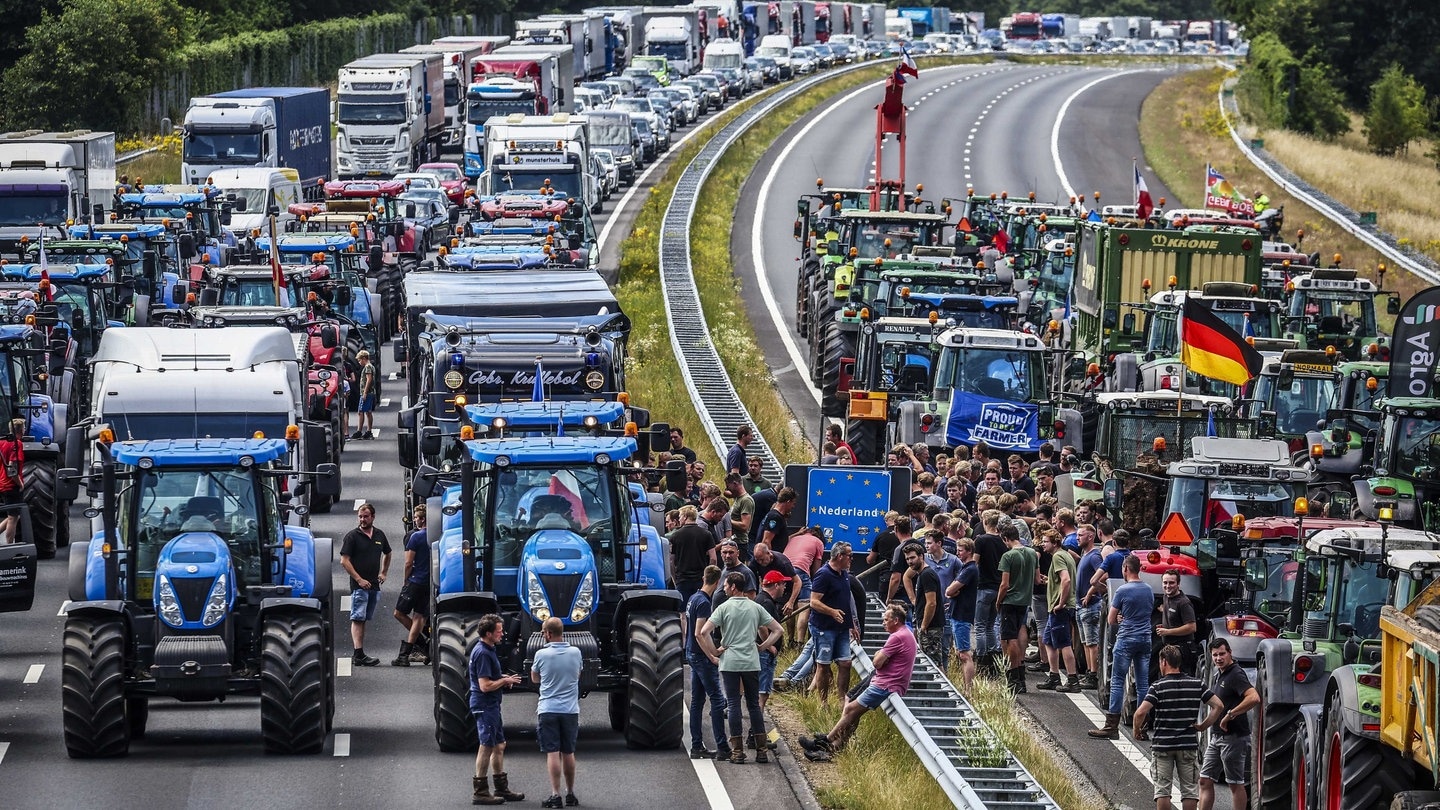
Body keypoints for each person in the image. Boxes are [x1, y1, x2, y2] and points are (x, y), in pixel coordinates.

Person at [798, 603, 916, 762]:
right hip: (890, 680)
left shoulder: (897, 637)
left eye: (886, 620)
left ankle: (824, 742)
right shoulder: (905, 633)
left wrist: (879, 655)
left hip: (886, 683)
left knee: (850, 709)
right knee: (854, 711)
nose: (883, 623)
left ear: (896, 620)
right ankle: (833, 748)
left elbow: (877, 662)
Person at [697, 572, 785, 764]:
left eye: (726, 585)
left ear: (733, 587)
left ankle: (737, 752)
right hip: (751, 661)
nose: (724, 588)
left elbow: (704, 632)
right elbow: (779, 629)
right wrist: (762, 646)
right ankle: (761, 750)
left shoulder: (723, 608)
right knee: (754, 704)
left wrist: (715, 652)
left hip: (730, 662)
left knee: (734, 703)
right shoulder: (755, 607)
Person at [1134, 645, 1225, 810]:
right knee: (1189, 791)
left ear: (1164, 662)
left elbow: (1140, 713)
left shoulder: (1157, 687)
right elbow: (1218, 706)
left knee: (1162, 791)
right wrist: (1203, 726)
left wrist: (1137, 731)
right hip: (1187, 744)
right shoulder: (1197, 684)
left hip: (1163, 746)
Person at [1091, 554, 1153, 739]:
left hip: (1126, 639)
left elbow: (1111, 619)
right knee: (1143, 684)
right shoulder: (1149, 589)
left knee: (1117, 680)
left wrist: (1119, 618)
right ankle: (1141, 727)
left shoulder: (1122, 591)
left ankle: (1111, 726)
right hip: (1145, 639)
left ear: (1125, 569)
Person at [469, 614, 525, 805]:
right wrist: (504, 681)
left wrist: (503, 678)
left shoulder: (488, 648)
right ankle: (481, 791)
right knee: (486, 746)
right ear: (488, 633)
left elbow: (488, 676)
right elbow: (484, 686)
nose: (503, 633)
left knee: (499, 745)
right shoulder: (483, 653)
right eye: (499, 631)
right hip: (485, 705)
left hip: (492, 705)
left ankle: (501, 788)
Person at [1198, 638, 1260, 810]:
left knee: (1234, 783)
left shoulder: (1236, 674)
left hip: (1233, 738)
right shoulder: (1220, 674)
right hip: (1216, 738)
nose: (1218, 658)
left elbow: (1254, 697)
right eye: (1215, 655)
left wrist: (1231, 714)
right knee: (1204, 780)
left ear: (1230, 653)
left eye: (1222, 654)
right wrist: (1203, 726)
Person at [531, 616, 583, 809]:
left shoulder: (541, 655)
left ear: (548, 633)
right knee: (568, 752)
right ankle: (570, 794)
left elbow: (535, 679)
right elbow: (578, 675)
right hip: (570, 710)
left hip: (548, 709)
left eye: (544, 632)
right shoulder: (576, 652)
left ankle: (555, 795)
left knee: (552, 753)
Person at [340, 503, 391, 667]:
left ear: (373, 517)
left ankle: (360, 653)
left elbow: (388, 553)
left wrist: (384, 572)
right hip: (359, 586)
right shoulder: (352, 536)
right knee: (358, 617)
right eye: (360, 517)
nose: (362, 519)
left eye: (366, 516)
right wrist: (359, 579)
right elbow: (344, 561)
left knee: (365, 618)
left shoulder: (379, 535)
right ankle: (358, 654)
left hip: (374, 585)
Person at [809, 541, 860, 705]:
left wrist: (852, 624)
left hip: (843, 627)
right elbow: (813, 602)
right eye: (849, 556)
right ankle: (823, 702)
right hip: (824, 627)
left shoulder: (844, 573)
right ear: (840, 556)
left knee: (845, 663)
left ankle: (840, 699)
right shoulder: (824, 574)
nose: (852, 559)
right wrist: (831, 612)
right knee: (823, 664)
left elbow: (845, 600)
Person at [686, 566, 729, 760]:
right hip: (701, 656)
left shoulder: (693, 599)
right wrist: (712, 656)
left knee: (697, 701)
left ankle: (697, 745)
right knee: (718, 700)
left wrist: (715, 649)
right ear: (718, 581)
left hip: (692, 653)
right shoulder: (704, 602)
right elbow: (699, 632)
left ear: (704, 577)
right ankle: (722, 746)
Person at [1035, 531, 1081, 692]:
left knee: (1064, 643)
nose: (1043, 544)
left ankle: (1072, 679)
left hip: (1060, 607)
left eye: (1046, 541)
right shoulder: (1067, 555)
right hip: (1058, 606)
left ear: (1055, 543)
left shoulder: (1058, 557)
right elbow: (1061, 580)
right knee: (1048, 640)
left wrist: (1060, 603)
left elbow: (1066, 580)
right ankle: (1054, 676)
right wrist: (1050, 582)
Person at [994, 522, 1037, 694]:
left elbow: (1004, 584)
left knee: (1009, 638)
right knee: (1020, 634)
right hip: (1025, 600)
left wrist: (998, 601)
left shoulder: (1008, 556)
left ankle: (1012, 677)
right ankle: (1021, 675)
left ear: (1006, 538)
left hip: (1010, 600)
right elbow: (1037, 579)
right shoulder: (1032, 553)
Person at [391, 503, 431, 666]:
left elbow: (408, 562)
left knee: (399, 613)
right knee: (419, 617)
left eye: (417, 518)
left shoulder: (416, 537)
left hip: (416, 581)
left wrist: (405, 580)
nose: (415, 521)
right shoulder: (436, 535)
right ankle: (405, 655)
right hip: (429, 582)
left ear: (423, 519)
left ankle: (421, 645)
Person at [972, 510, 1006, 675]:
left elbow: (974, 563)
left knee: (979, 625)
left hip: (984, 585)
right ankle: (994, 656)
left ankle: (982, 658)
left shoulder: (981, 540)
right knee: (991, 625)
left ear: (985, 523)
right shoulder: (1002, 541)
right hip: (998, 585)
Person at [903, 543, 945, 671]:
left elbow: (931, 603)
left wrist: (924, 626)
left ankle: (943, 691)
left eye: (912, 558)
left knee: (934, 664)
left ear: (921, 556)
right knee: (932, 662)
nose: (910, 561)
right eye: (907, 559)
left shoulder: (927, 574)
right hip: (926, 625)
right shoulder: (921, 574)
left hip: (931, 627)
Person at [946, 538, 979, 690]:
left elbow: (949, 590)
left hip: (962, 615)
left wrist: (952, 593)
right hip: (957, 612)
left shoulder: (969, 569)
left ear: (969, 551)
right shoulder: (965, 568)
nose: (958, 553)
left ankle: (968, 689)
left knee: (964, 654)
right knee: (960, 653)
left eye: (960, 550)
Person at [1074, 523, 1104, 690]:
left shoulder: (1094, 556)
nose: (1078, 538)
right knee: (1086, 641)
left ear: (1091, 536)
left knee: (1092, 642)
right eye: (1077, 535)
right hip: (1081, 606)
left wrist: (1091, 591)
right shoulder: (1084, 554)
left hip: (1090, 605)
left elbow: (1103, 574)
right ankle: (1088, 671)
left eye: (1081, 535)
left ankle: (1094, 674)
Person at [669, 505, 716, 602]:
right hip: (701, 579)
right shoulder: (706, 534)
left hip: (682, 579)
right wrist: (708, 578)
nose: (679, 519)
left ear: (685, 517)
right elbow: (713, 558)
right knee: (701, 608)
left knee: (682, 612)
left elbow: (671, 561)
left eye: (680, 517)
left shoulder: (675, 536)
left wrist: (675, 579)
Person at [756, 570, 788, 708]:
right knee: (762, 691)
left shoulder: (761, 599)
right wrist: (769, 646)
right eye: (783, 584)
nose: (784, 587)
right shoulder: (766, 603)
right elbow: (761, 626)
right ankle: (757, 725)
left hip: (762, 653)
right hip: (764, 654)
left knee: (761, 690)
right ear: (776, 585)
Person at [1157, 569, 1199, 675]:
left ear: (1178, 584)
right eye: (1165, 583)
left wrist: (1167, 632)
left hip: (1183, 649)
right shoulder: (1166, 597)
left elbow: (1192, 627)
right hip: (1170, 647)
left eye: (1171, 583)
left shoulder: (1184, 603)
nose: (1168, 586)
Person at [0, 418, 24, 544]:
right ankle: (9, 545)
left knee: (14, 515)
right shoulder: (17, 443)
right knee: (12, 518)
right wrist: (20, 484)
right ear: (21, 430)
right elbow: (12, 468)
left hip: (1, 484)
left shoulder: (2, 443)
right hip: (11, 485)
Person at [758, 487, 796, 554]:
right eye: (793, 503)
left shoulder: (775, 515)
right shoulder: (775, 517)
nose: (793, 507)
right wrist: (771, 559)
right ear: (788, 502)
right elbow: (766, 541)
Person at [351, 350, 376, 440]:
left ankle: (360, 431)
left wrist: (365, 392)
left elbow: (369, 380)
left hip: (366, 393)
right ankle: (368, 431)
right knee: (367, 412)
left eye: (359, 360)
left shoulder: (368, 367)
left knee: (361, 412)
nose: (359, 362)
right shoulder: (370, 366)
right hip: (369, 392)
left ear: (364, 358)